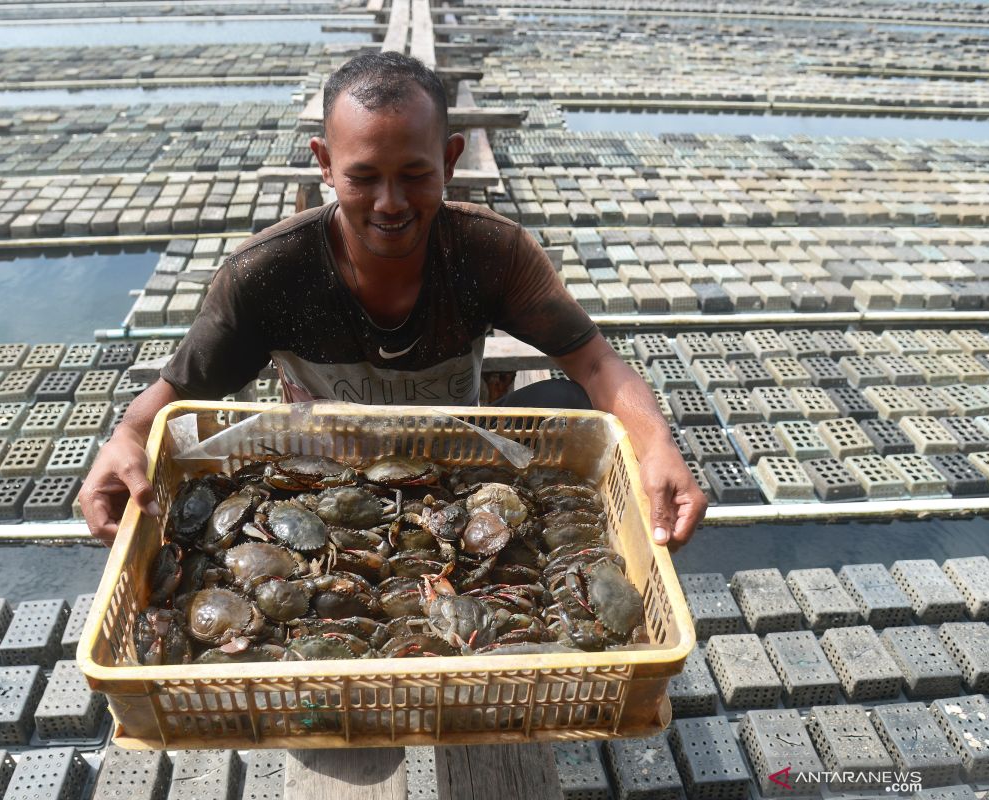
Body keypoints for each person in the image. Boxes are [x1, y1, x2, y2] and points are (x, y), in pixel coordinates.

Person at [79, 52, 707, 549]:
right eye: (363, 176)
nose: (390, 203)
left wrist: (657, 446)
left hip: (458, 462)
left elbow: (596, 364)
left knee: (575, 405)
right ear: (325, 164)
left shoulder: (492, 253)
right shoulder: (266, 274)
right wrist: (128, 436)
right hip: (321, 477)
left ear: (450, 160)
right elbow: (174, 395)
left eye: (414, 174)